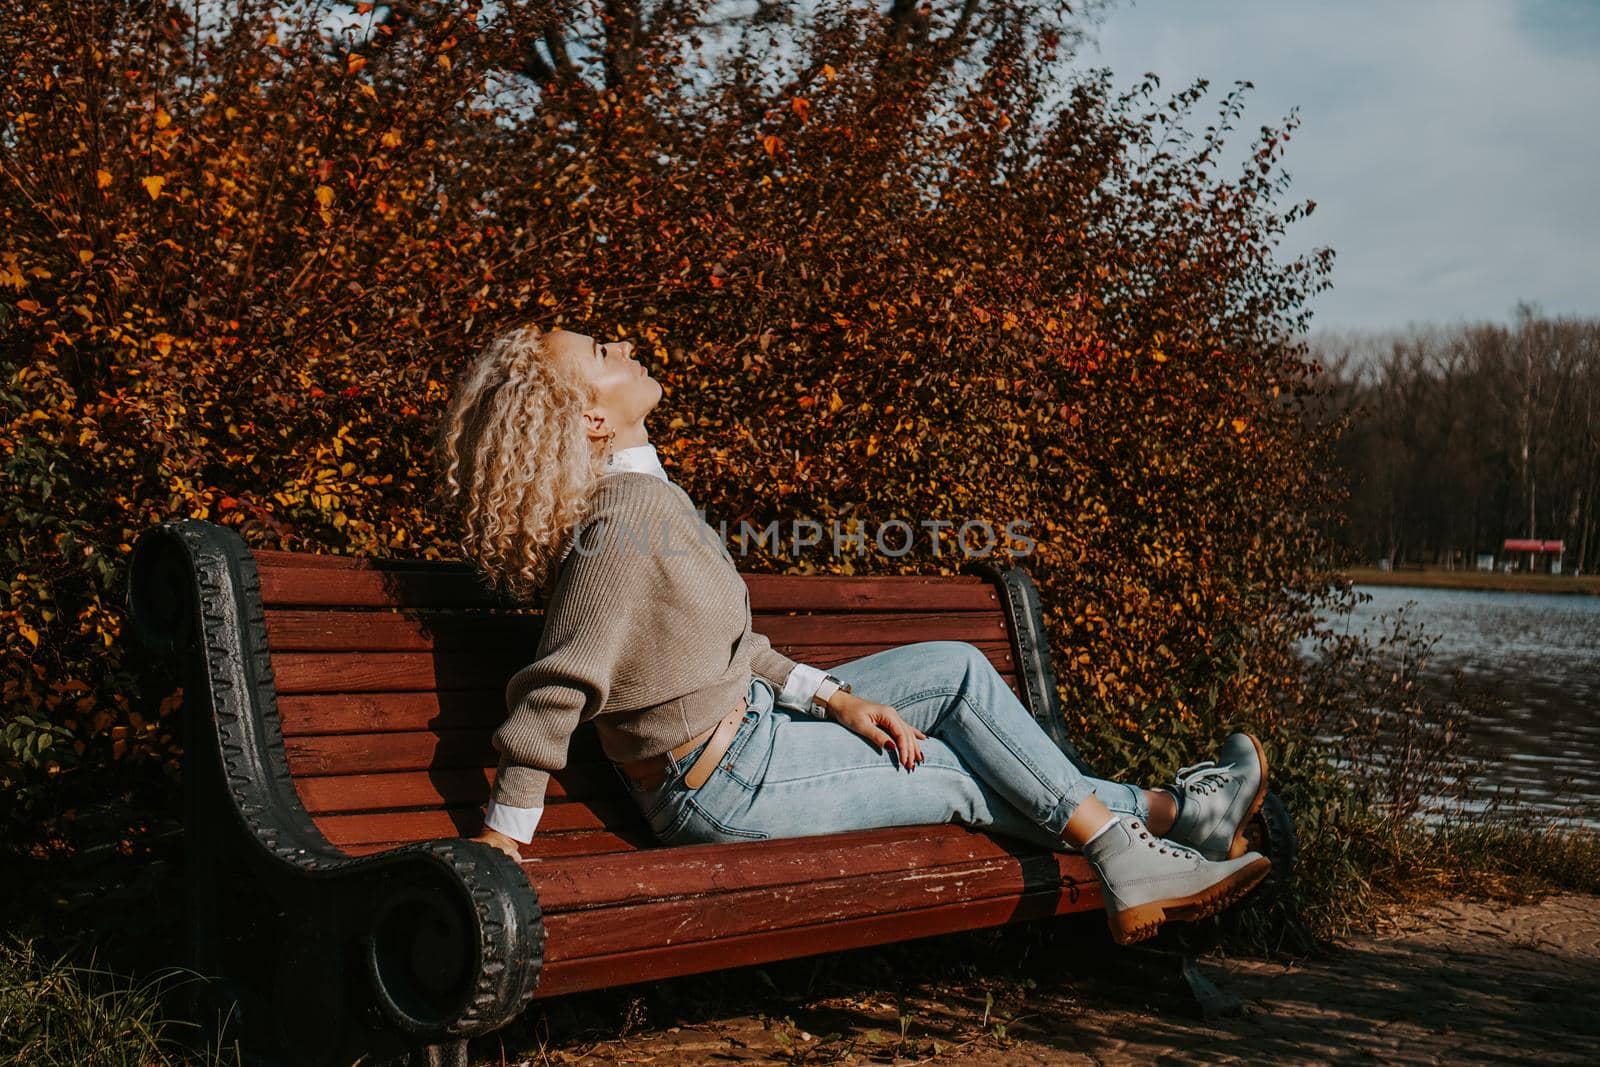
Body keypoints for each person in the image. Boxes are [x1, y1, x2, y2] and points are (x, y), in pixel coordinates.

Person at [436, 323, 1271, 944]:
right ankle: (1156, 828)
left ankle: (1163, 822)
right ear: (589, 420)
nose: (620, 343)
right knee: (960, 775)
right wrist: (503, 838)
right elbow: (557, 686)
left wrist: (835, 697)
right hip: (726, 784)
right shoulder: (622, 521)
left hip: (750, 736)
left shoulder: (648, 501)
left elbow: (731, 650)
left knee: (957, 668)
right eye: (601, 354)